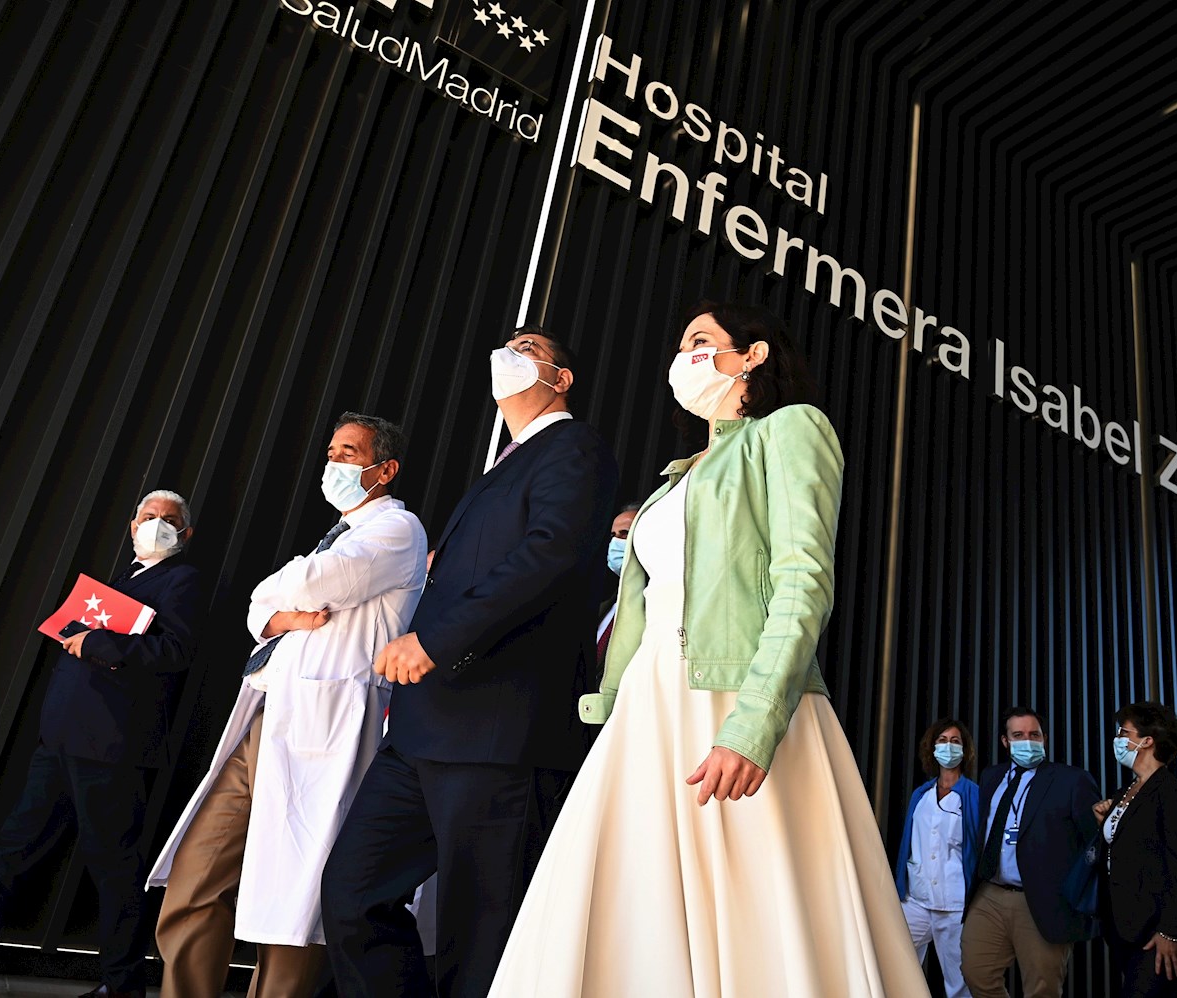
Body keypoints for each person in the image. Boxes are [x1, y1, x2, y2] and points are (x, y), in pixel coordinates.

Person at [486, 300, 928, 997]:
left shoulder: (789, 430)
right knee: (626, 916)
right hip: (647, 711)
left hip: (729, 700)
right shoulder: (678, 476)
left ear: (750, 355)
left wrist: (752, 726)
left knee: (758, 920)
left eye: (700, 340)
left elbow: (803, 581)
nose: (682, 355)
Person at [320, 326, 618, 998]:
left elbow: (547, 558)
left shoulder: (574, 450)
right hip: (425, 732)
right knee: (351, 892)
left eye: (528, 349)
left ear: (560, 379)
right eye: (505, 346)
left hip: (496, 732)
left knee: (476, 936)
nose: (508, 356)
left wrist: (432, 640)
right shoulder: (508, 463)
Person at [147, 413, 426, 998]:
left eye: (349, 453)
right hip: (267, 723)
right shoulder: (338, 537)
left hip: (327, 730)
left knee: (299, 899)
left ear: (386, 469)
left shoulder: (397, 531)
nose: (334, 464)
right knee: (197, 878)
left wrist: (284, 602)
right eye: (331, 451)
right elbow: (259, 607)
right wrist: (280, 610)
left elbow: (317, 581)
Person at [0, 491, 202, 998]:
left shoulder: (181, 580)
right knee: (10, 855)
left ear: (185, 534)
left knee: (114, 870)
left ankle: (122, 987)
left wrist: (95, 643)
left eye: (169, 521)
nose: (157, 525)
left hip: (111, 750)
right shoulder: (124, 579)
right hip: (62, 743)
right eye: (148, 517)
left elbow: (176, 650)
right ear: (131, 524)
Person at [961, 705, 1099, 998]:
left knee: (1041, 989)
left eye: (1034, 734)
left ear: (1044, 738)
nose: (1028, 740)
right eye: (1018, 734)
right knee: (976, 973)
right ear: (1005, 741)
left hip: (1042, 900)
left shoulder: (1071, 780)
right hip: (990, 893)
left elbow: (1094, 843)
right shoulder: (991, 777)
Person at [1091, 701, 1177, 997]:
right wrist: (1105, 823)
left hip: (1158, 929)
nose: (1118, 739)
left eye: (1124, 732)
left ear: (1147, 741)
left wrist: (1170, 931)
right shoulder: (1125, 793)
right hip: (1123, 924)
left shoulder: (1175, 793)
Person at [895, 719, 979, 998]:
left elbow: (977, 849)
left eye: (955, 741)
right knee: (896, 966)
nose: (948, 746)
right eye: (942, 740)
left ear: (964, 751)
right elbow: (909, 846)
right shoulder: (920, 795)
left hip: (954, 905)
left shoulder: (973, 795)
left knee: (960, 982)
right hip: (916, 901)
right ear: (931, 749)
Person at [597, 502, 640, 665]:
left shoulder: (657, 606)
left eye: (624, 534)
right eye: (612, 535)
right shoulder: (605, 601)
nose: (616, 542)